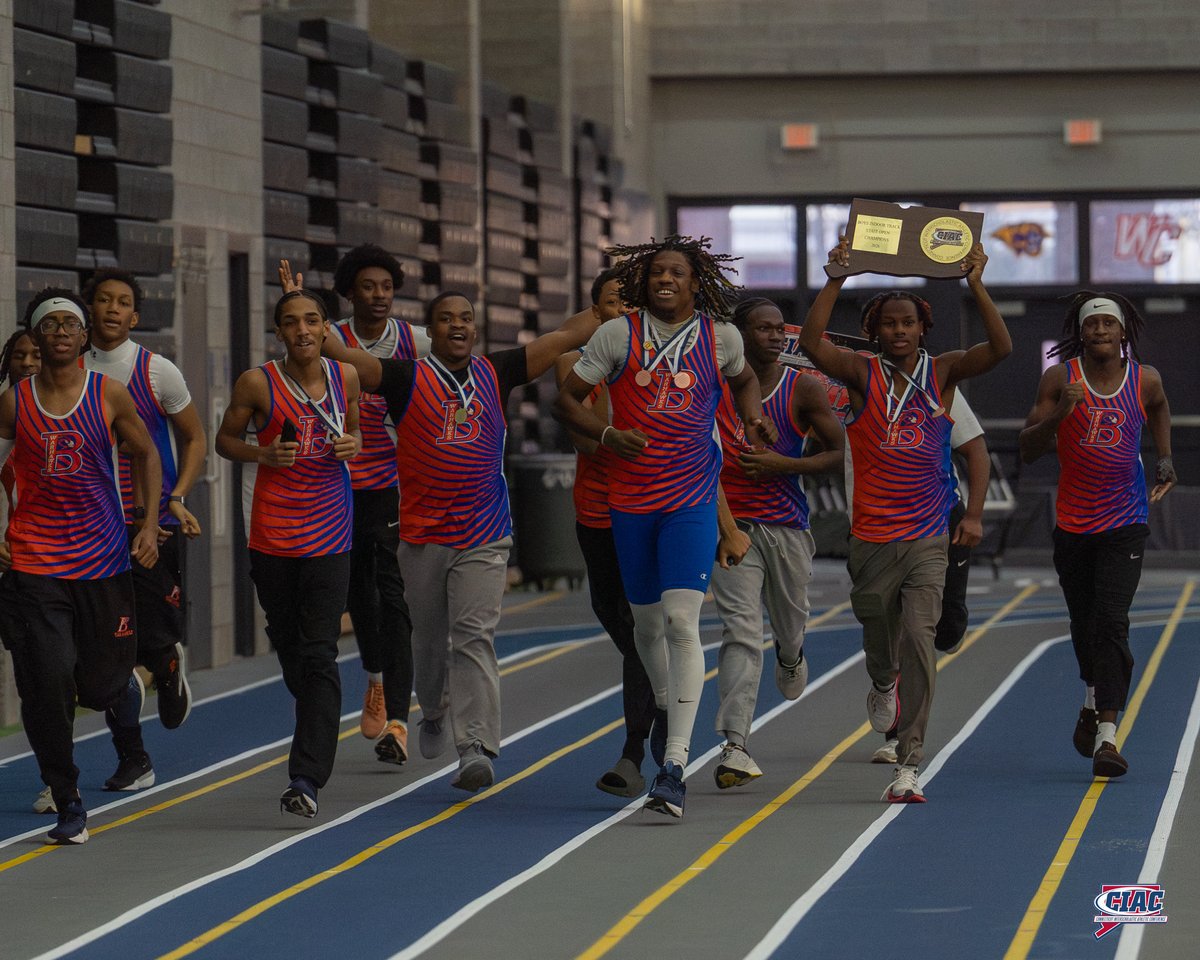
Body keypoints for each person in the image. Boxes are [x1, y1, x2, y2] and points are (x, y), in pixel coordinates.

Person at [323, 290, 599, 793]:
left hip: (485, 535)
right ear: (431, 332)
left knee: (474, 638)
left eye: (466, 319)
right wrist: (308, 316)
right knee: (428, 642)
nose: (457, 325)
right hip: (424, 537)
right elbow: (349, 359)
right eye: (446, 318)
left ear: (475, 329)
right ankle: (431, 710)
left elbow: (564, 335)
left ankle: (475, 746)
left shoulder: (498, 372)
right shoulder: (407, 377)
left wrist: (609, 310)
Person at [555, 235, 776, 819]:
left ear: (695, 282)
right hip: (629, 504)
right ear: (642, 282)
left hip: (691, 501)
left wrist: (752, 419)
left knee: (681, 622)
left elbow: (746, 380)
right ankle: (665, 705)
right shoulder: (617, 335)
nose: (666, 280)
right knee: (647, 629)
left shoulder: (719, 337)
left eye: (677, 273)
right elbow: (567, 398)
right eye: (657, 273)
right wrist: (606, 435)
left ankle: (673, 765)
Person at [799, 239, 1011, 803]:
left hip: (927, 536)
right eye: (889, 323)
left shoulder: (943, 375)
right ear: (876, 331)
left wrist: (977, 284)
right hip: (871, 537)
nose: (898, 331)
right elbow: (811, 344)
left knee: (920, 637)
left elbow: (1002, 346)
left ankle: (910, 760)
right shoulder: (862, 376)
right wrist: (836, 279)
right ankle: (880, 681)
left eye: (908, 323)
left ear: (923, 328)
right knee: (879, 631)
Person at [0, 289, 161, 844]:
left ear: (84, 336)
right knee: (46, 679)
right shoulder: (14, 401)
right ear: (37, 337)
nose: (62, 331)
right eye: (51, 324)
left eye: (71, 323)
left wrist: (145, 523)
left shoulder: (109, 395)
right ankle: (67, 799)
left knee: (95, 681)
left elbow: (145, 452)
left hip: (103, 562)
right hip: (36, 563)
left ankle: (123, 689)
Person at [216, 290, 361, 818]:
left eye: (312, 320)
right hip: (273, 536)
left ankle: (306, 778)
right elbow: (223, 440)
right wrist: (262, 453)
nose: (302, 330)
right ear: (279, 331)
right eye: (291, 322)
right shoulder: (258, 383)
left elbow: (357, 433)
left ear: (325, 327)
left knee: (320, 651)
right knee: (293, 648)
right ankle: (316, 715)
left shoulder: (346, 377)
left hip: (330, 534)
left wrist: (354, 445)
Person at [1019, 292, 1175, 779]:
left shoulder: (1144, 379)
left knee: (1111, 622)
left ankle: (1108, 736)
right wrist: (1061, 412)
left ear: (1123, 331)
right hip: (1073, 524)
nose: (1101, 331)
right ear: (1081, 333)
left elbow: (1161, 407)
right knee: (1084, 625)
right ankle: (1091, 697)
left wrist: (1165, 457)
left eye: (1110, 324)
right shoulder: (1059, 379)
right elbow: (1027, 449)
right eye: (1093, 325)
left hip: (1125, 522)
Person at [710, 298, 844, 788]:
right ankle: (735, 744)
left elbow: (836, 453)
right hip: (732, 526)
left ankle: (792, 655)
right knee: (741, 632)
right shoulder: (713, 384)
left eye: (777, 330)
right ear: (738, 336)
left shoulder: (802, 386)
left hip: (787, 524)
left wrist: (784, 466)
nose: (773, 336)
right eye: (761, 329)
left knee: (789, 624)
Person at [81, 269, 207, 792]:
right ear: (90, 309)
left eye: (123, 302)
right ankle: (134, 758)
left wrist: (174, 500)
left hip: (148, 523)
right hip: (88, 529)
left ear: (134, 316)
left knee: (148, 641)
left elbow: (195, 439)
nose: (112, 308)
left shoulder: (158, 372)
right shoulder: (70, 370)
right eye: (103, 300)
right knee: (112, 653)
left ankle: (167, 663)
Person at [554, 269, 656, 798]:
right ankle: (662, 701)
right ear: (596, 314)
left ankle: (633, 751)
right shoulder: (576, 364)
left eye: (631, 304)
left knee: (642, 628)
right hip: (596, 512)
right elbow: (590, 442)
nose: (625, 312)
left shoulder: (659, 364)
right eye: (614, 304)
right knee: (615, 618)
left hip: (651, 511)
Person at [325, 246, 430, 765]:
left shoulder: (415, 342)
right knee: (356, 592)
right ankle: (375, 677)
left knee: (395, 596)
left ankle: (398, 721)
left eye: (387, 286)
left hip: (394, 483)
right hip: (337, 484)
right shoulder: (329, 341)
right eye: (369, 286)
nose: (380, 295)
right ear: (350, 291)